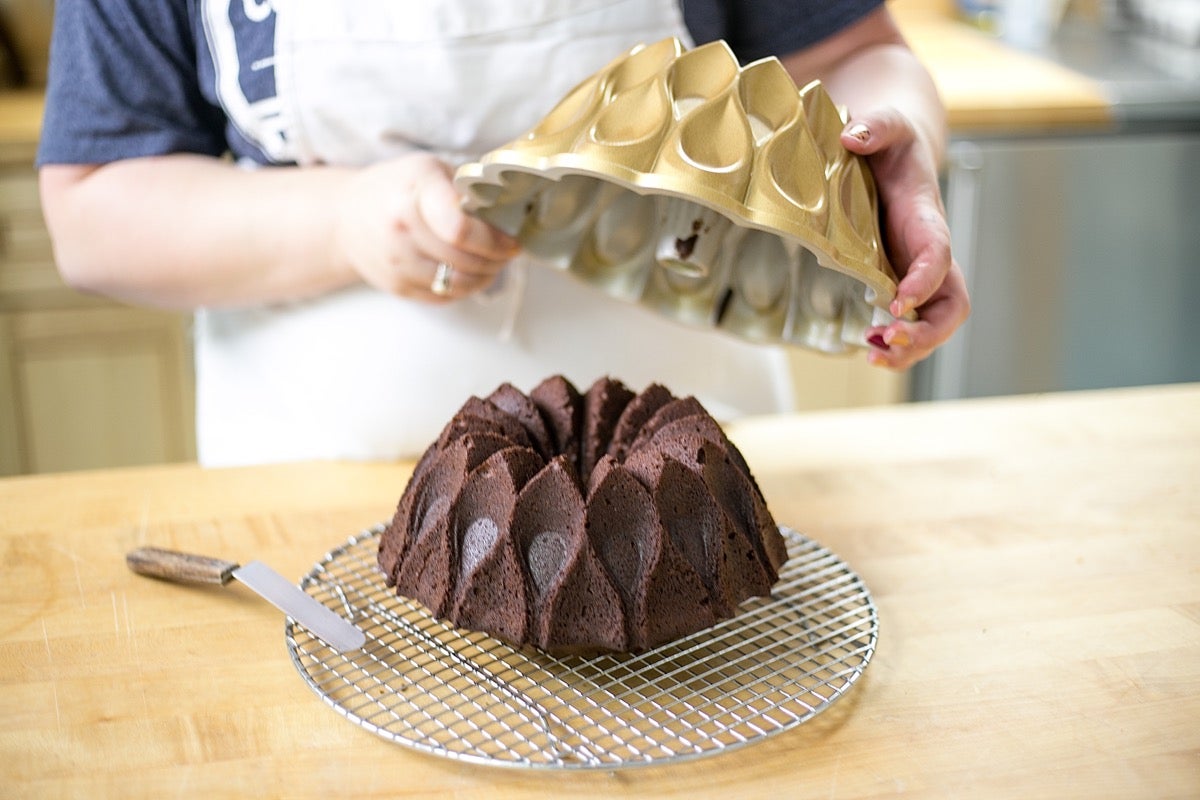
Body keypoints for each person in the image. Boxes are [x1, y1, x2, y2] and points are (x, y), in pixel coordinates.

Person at [36, 0, 969, 466]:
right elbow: (93, 206)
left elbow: (856, 54)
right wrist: (347, 222)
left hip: (690, 472)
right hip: (312, 474)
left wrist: (893, 157)